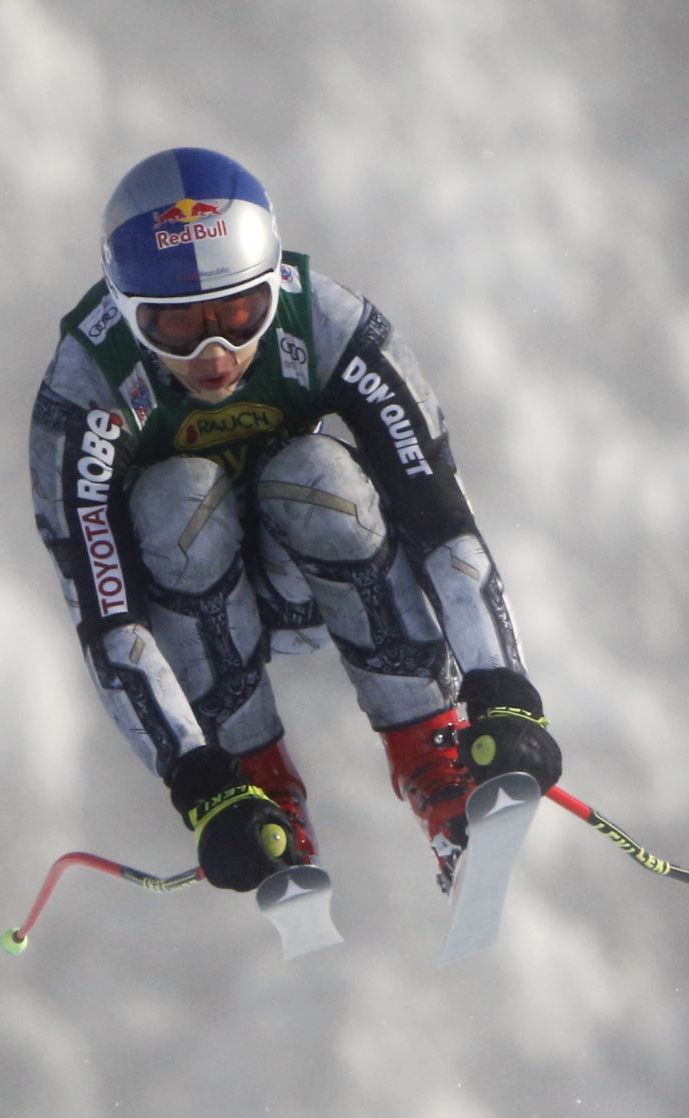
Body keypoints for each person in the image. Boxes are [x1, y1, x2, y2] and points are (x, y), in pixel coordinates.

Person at [28, 146, 561, 897]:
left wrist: (502, 685)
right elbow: (109, 622)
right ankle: (258, 786)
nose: (214, 354)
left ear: (273, 282)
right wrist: (199, 778)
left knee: (315, 472)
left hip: (319, 566)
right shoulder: (86, 388)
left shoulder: (331, 324)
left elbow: (444, 525)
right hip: (193, 598)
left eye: (238, 313)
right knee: (177, 497)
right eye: (176, 327)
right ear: (124, 307)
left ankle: (430, 754)